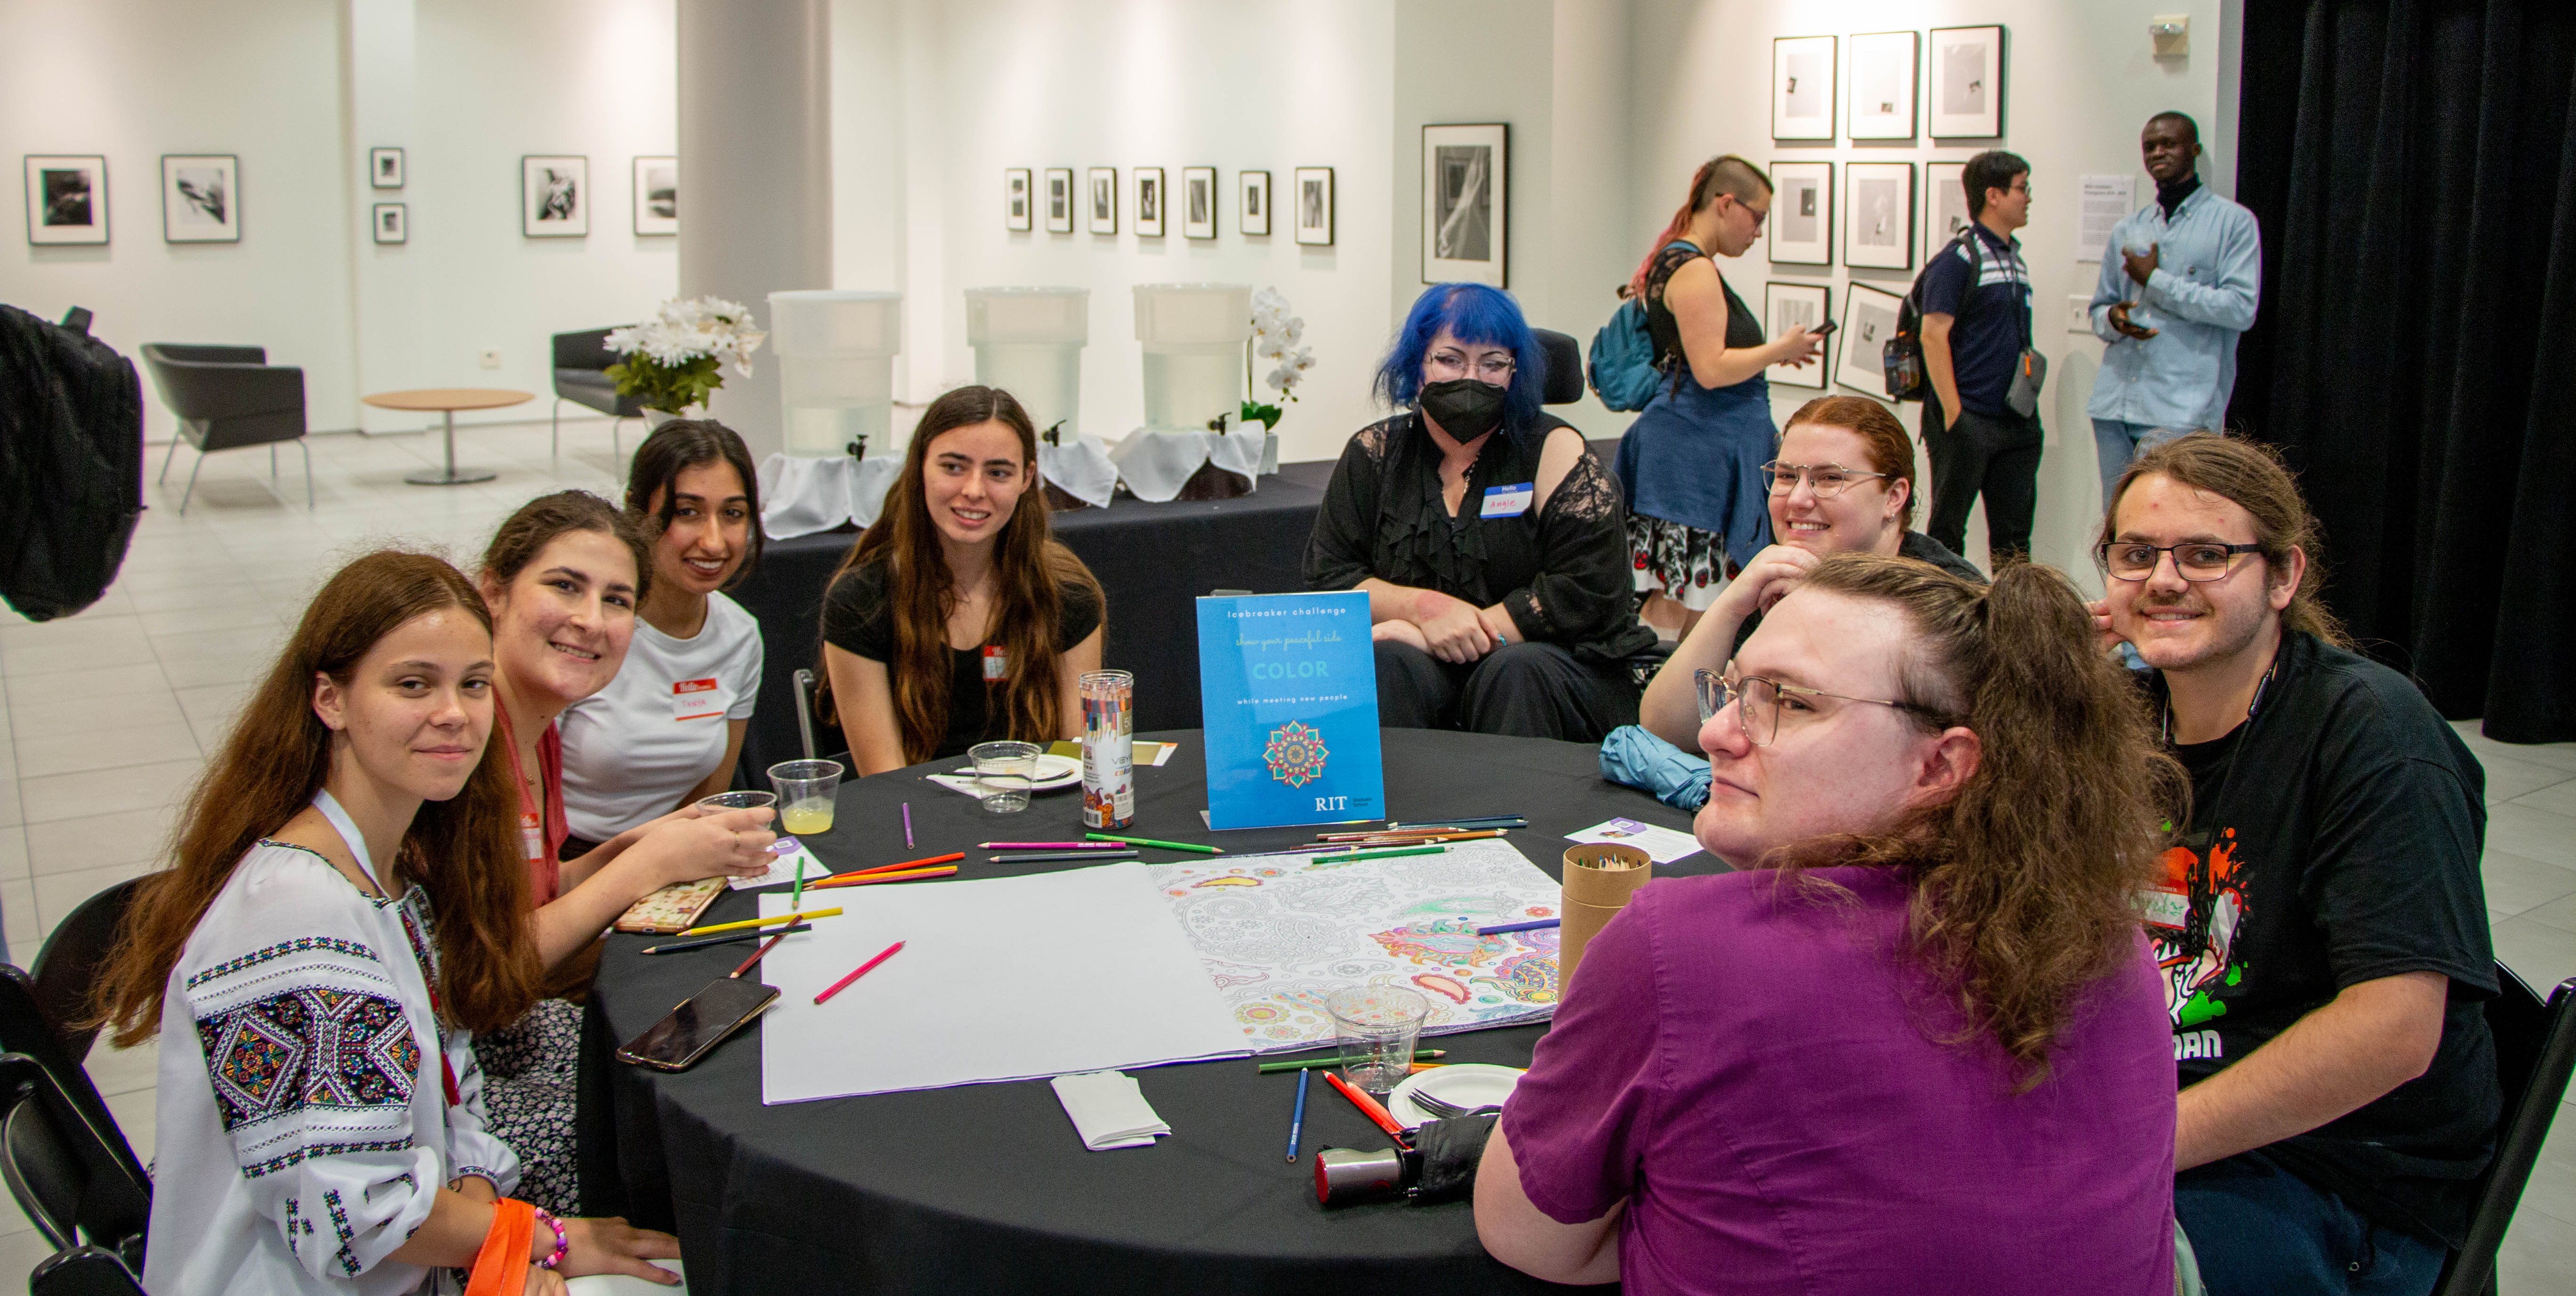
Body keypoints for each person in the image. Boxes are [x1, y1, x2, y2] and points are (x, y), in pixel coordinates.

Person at [1477, 553, 2183, 1294]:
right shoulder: (2111, 941)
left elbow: (1532, 1238)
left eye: (1787, 702)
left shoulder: (1680, 951)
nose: (1718, 733)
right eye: (1735, 691)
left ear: (1941, 767)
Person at [91, 549, 682, 1294]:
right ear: (330, 700)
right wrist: (544, 1238)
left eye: (473, 684)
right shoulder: (295, 917)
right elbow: (357, 1219)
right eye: (413, 684)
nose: (454, 713)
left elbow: (453, 1085)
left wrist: (492, 1234)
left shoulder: (388, 870)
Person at [2092, 433, 2495, 1296]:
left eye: (2206, 554)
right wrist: (2045, 700)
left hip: (2329, 1170)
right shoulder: (2124, 716)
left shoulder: (2372, 734)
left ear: (2282, 577)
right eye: (2136, 554)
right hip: (2151, 1099)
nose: (2163, 579)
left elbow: (2394, 1029)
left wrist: (2139, 1142)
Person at [475, 491, 779, 1215]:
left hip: (500, 1032)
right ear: (493, 591)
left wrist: (638, 843)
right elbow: (485, 975)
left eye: (615, 600)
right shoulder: (468, 747)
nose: (591, 620)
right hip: (468, 1076)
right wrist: (646, 865)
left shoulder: (536, 728)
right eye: (565, 586)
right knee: (678, 1157)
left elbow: (532, 884)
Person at [1305, 283, 1655, 741]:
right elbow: (1331, 577)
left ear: (1515, 373)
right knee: (1389, 661)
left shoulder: (1556, 449)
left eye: (1492, 364)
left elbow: (1589, 590)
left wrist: (1462, 634)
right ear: (1416, 366)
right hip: (1421, 665)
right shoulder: (1375, 453)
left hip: (1549, 662)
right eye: (1451, 360)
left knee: (1514, 671)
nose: (1472, 378)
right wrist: (1425, 610)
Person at [1636, 394, 1981, 750]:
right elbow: (1664, 729)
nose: (1797, 499)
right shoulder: (1778, 576)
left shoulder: (1951, 601)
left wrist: (1827, 609)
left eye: (1830, 478)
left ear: (1893, 497)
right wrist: (1732, 605)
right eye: (1786, 476)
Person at [821, 385, 1105, 771]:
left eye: (998, 473)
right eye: (954, 467)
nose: (974, 490)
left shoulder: (1069, 593)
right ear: (920, 466)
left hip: (1036, 803)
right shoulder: (861, 600)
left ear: (1027, 478)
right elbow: (885, 780)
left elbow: (1082, 761)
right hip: (910, 806)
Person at [1613, 155, 1823, 634]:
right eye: (1758, 218)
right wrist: (1781, 349)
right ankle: (1659, 682)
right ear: (1726, 204)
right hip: (1694, 457)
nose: (1758, 232)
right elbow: (1709, 369)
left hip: (1695, 449)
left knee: (1697, 600)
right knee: (1687, 601)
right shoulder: (1693, 269)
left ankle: (1674, 681)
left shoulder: (1679, 261)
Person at [560, 419, 767, 855]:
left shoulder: (740, 635)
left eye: (732, 514)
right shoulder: (585, 630)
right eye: (687, 512)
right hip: (567, 858)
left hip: (674, 853)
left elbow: (711, 800)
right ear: (636, 513)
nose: (714, 543)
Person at [2087, 112, 2261, 505]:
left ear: (2194, 150)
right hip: (2114, 403)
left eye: (2169, 144)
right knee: (2115, 522)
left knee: (2167, 521)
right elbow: (2101, 308)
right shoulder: (2128, 229)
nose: (2158, 153)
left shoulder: (2233, 223)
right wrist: (2114, 319)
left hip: (2180, 411)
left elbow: (2241, 309)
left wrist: (2156, 281)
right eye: (2149, 146)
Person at [1919, 149, 2042, 567]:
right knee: (1947, 532)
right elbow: (1932, 335)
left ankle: (2012, 608)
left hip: (2017, 419)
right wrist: (1955, 414)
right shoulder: (1957, 259)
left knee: (2015, 540)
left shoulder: (2014, 258)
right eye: (2022, 188)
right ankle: (1942, 607)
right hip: (1970, 419)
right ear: (1994, 195)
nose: (2028, 198)